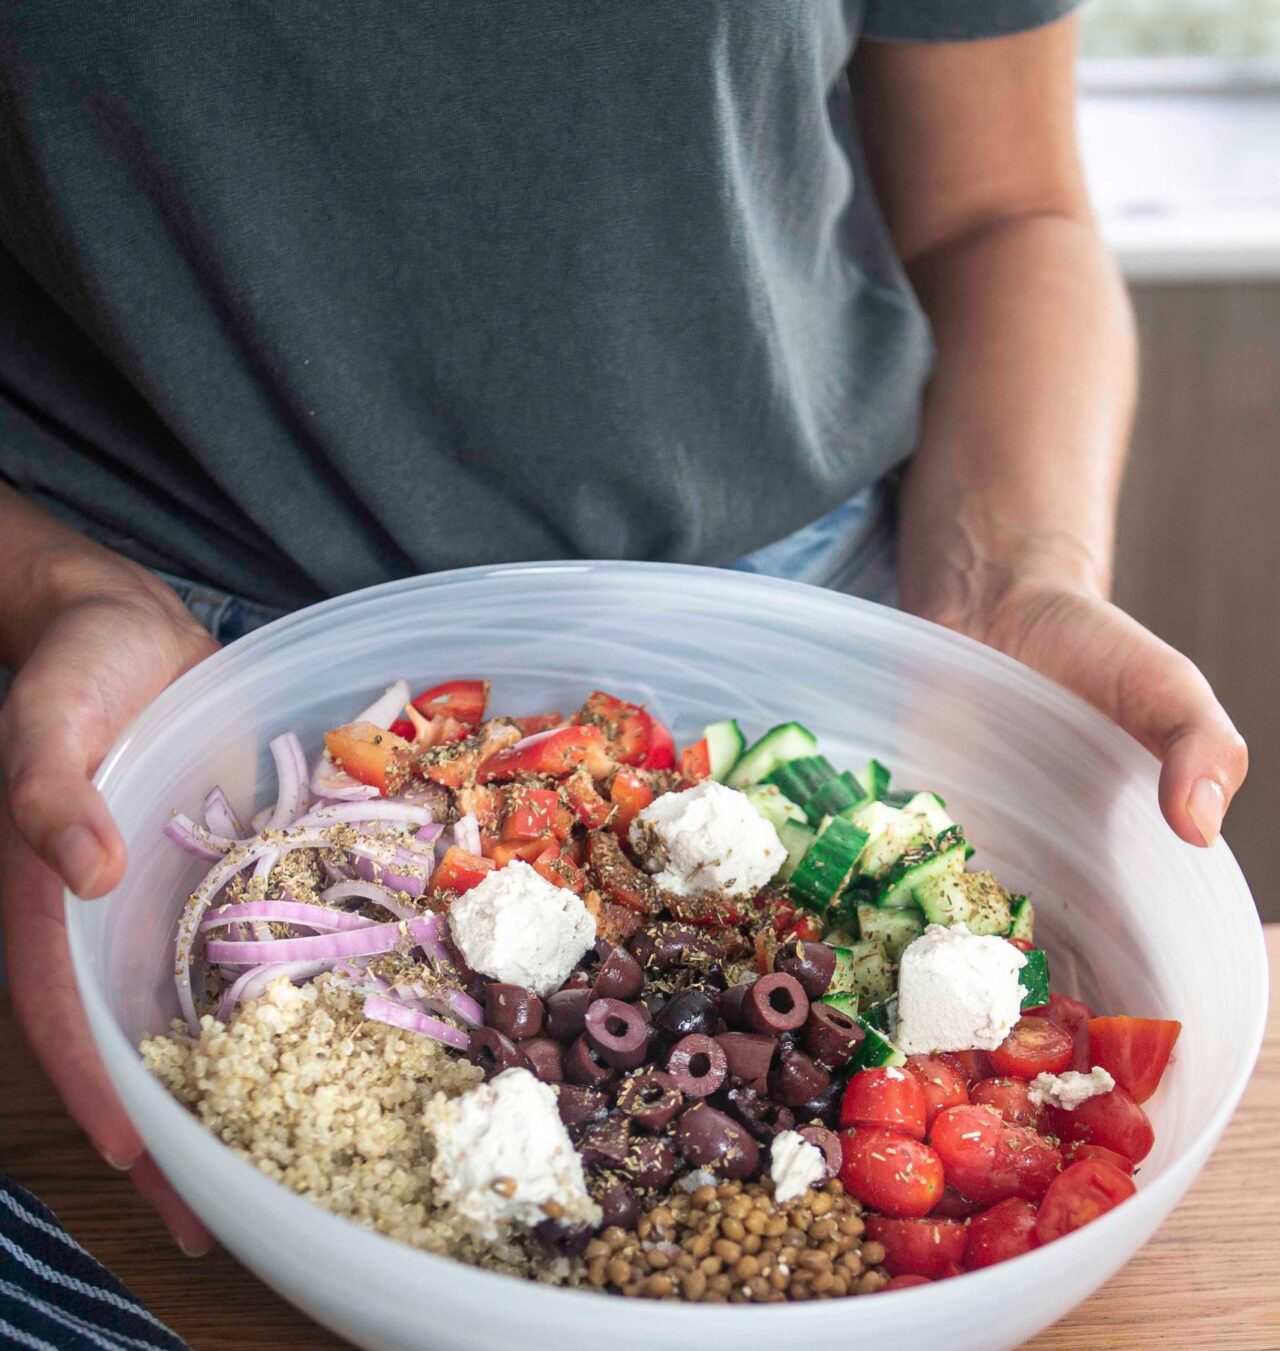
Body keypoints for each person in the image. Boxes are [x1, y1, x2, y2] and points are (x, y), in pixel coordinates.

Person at [0, 5, 1246, 1253]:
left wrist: (1004, 584)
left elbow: (999, 212)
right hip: (199, 686)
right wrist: (53, 588)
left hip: (835, 636)